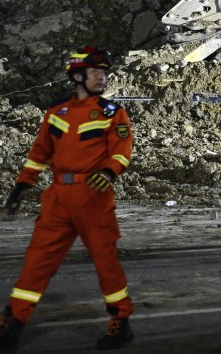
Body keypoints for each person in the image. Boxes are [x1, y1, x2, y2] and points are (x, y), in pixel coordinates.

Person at [0, 47, 135, 351]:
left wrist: (111, 171)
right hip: (58, 198)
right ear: (77, 76)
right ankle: (14, 319)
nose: (103, 77)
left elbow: (121, 150)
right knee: (37, 262)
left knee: (105, 262)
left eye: (104, 72)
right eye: (96, 72)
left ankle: (120, 320)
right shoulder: (56, 113)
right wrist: (21, 185)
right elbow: (39, 153)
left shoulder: (112, 113)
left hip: (94, 196)